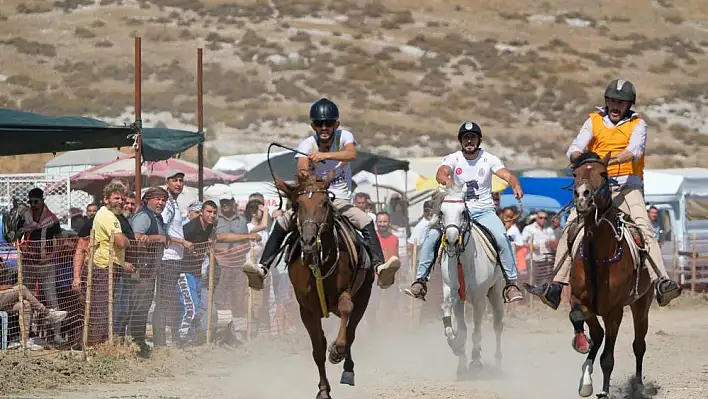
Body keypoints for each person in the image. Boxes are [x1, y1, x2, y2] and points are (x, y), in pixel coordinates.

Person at [524, 79, 682, 309]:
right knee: (570, 227)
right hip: (597, 187)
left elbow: (635, 151)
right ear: (606, 101)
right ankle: (556, 286)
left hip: (628, 187)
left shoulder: (638, 124)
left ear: (629, 105)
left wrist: (607, 161)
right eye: (612, 100)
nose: (616, 106)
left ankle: (661, 281)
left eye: (622, 102)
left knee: (643, 227)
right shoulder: (593, 120)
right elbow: (574, 148)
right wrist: (582, 158)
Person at [243, 98, 401, 290]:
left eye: (328, 123)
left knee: (366, 221)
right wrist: (308, 167)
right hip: (313, 199)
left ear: (336, 125)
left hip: (340, 201)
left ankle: (379, 267)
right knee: (282, 222)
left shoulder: (344, 136)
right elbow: (301, 169)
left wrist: (324, 156)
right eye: (319, 124)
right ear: (313, 126)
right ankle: (263, 268)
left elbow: (351, 154)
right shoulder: (306, 145)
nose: (324, 127)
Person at [404, 121, 524, 303]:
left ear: (479, 140)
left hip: (483, 211)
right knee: (431, 237)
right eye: (466, 138)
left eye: (473, 138)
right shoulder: (453, 158)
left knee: (501, 237)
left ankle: (511, 284)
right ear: (461, 141)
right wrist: (448, 181)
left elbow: (507, 175)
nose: (469, 141)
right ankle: (420, 281)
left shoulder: (489, 159)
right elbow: (441, 173)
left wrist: (515, 184)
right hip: (458, 211)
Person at [17, 188, 65, 345]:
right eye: (30, 202)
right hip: (29, 263)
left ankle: (57, 334)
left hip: (46, 265)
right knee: (26, 299)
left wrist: (51, 256)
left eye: (35, 201)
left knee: (51, 299)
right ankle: (27, 333)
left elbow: (59, 240)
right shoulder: (25, 217)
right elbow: (16, 235)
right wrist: (21, 247)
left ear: (42, 200)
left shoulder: (52, 219)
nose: (33, 205)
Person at [128, 187, 168, 358]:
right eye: (157, 199)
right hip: (140, 271)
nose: (161, 203)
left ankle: (139, 342)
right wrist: (158, 238)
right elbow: (136, 239)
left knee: (143, 309)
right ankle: (135, 344)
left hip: (149, 272)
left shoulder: (156, 217)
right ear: (148, 200)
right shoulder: (144, 217)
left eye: (163, 200)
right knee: (137, 309)